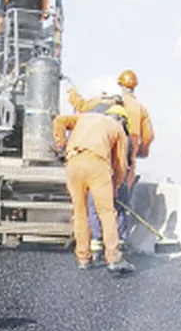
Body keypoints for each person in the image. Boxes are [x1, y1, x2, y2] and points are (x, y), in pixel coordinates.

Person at [67, 69, 155, 256]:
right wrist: (141, 153)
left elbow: (81, 106)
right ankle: (120, 239)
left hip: (102, 159)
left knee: (96, 201)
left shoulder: (103, 103)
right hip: (125, 161)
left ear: (119, 85)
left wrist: (72, 94)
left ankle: (97, 240)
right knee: (120, 200)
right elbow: (148, 137)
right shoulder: (140, 108)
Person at [52, 104, 136, 275]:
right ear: (121, 119)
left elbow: (59, 120)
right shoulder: (118, 129)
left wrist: (62, 143)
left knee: (80, 212)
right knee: (106, 212)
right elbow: (120, 165)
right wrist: (115, 187)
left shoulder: (84, 117)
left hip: (73, 163)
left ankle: (83, 258)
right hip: (97, 165)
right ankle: (113, 258)